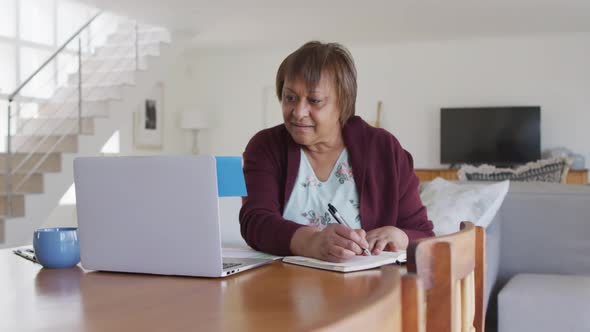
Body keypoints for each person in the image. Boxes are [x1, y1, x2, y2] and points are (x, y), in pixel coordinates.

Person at [239, 41, 434, 263]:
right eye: (290, 97)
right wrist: (311, 242)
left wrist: (401, 237)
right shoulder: (265, 146)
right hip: (283, 289)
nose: (298, 112)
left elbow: (423, 233)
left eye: (314, 100)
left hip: (366, 290)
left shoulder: (384, 149)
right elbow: (255, 222)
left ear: (343, 102)